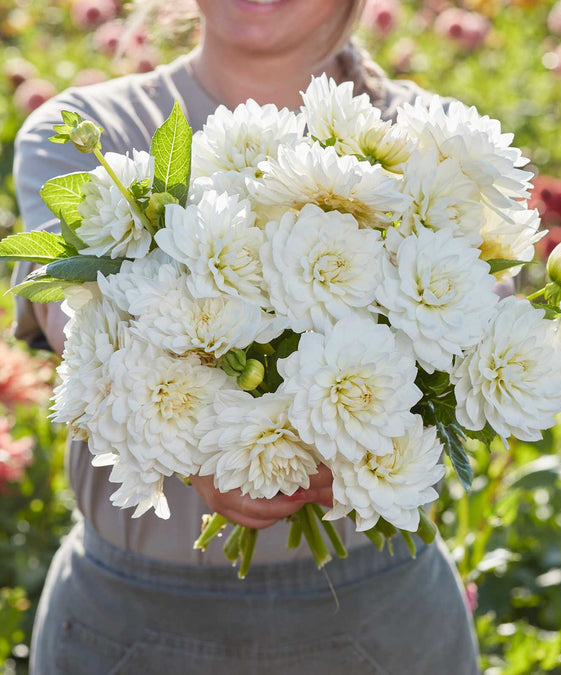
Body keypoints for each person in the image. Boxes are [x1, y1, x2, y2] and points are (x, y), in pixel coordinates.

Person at [13, 1, 480, 673]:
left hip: (381, 627)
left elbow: (473, 345)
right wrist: (217, 454)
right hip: (132, 629)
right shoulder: (88, 135)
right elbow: (82, 332)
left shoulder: (435, 145)